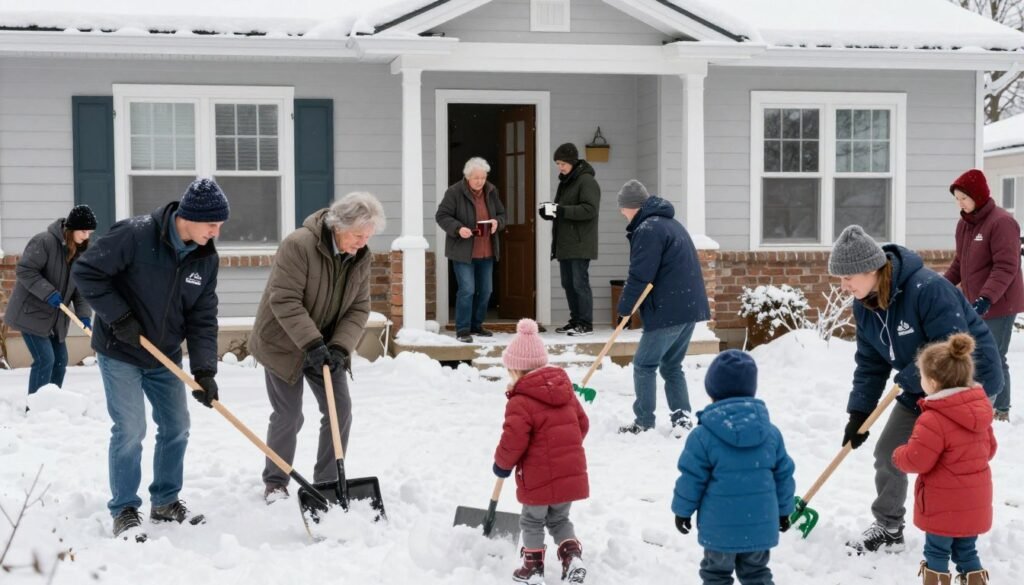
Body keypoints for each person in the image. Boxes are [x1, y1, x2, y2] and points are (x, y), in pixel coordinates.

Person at [828, 224, 1003, 554]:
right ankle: (889, 526)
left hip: (965, 381)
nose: (843, 285)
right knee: (888, 453)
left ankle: (959, 531)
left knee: (953, 462)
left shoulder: (927, 289)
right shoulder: (863, 306)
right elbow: (870, 363)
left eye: (847, 277)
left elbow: (948, 345)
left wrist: (907, 379)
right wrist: (859, 412)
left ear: (871, 269)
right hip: (920, 383)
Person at [72, 178, 228, 542]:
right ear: (189, 217)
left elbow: (203, 317)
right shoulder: (136, 234)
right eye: (212, 224)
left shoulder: (206, 258)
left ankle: (165, 500)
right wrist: (120, 318)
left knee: (177, 427)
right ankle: (125, 508)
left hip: (165, 355)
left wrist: (205, 371)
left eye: (220, 225)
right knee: (130, 430)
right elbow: (86, 272)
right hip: (120, 349)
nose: (216, 232)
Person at [250, 192, 385, 504]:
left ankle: (326, 482)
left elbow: (358, 309)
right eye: (358, 235)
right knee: (289, 414)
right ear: (339, 226)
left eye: (368, 236)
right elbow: (284, 300)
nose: (362, 243)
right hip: (283, 342)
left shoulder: (361, 258)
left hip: (326, 345)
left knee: (340, 410)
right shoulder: (299, 245)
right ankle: (275, 482)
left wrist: (339, 347)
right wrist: (311, 343)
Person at [672, 349, 795, 585]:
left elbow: (691, 478)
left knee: (716, 576)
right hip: (760, 526)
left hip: (720, 530)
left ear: (712, 391)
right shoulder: (770, 433)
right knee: (757, 574)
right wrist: (784, 510)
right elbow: (784, 476)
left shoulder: (702, 436)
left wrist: (682, 510)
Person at [892, 333, 995, 585]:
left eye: (922, 377)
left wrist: (898, 454)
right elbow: (990, 449)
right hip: (974, 501)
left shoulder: (933, 418)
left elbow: (918, 460)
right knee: (967, 551)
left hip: (942, 504)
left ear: (934, 383)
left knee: (937, 552)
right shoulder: (979, 412)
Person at [493, 318, 589, 584]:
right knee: (559, 518)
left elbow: (513, 441)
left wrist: (502, 464)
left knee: (532, 521)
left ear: (516, 370)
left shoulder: (520, 401)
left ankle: (533, 567)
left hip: (536, 477)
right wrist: (564, 447)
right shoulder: (565, 391)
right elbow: (582, 424)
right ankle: (572, 556)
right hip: (569, 471)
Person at [614, 180, 710, 434]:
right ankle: (682, 419)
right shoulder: (670, 224)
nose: (622, 213)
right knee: (671, 365)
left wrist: (624, 308)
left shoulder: (648, 228)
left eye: (622, 208)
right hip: (687, 307)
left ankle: (644, 422)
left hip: (669, 309)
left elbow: (640, 275)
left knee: (644, 365)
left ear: (631, 206)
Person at [944, 168, 1024, 423]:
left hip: (999, 303)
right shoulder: (965, 225)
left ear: (978, 196)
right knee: (976, 355)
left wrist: (986, 297)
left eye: (963, 198)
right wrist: (942, 286)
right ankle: (982, 403)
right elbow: (960, 262)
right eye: (957, 199)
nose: (960, 204)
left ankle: (1000, 410)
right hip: (975, 302)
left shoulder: (1002, 222)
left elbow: (1006, 266)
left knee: (994, 355)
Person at [6, 204, 96, 400]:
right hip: (31, 314)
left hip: (56, 319)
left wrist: (84, 315)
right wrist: (48, 293)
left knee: (60, 360)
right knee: (45, 359)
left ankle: (52, 406)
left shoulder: (81, 252)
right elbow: (25, 271)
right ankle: (35, 409)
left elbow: (80, 288)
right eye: (83, 231)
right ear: (71, 229)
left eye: (89, 232)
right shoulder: (44, 242)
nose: (86, 236)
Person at [435, 157, 506, 343]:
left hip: (486, 250)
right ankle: (463, 329)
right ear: (467, 177)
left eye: (483, 177)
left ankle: (476, 325)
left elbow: (502, 214)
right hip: (463, 251)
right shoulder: (454, 192)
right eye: (476, 178)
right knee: (467, 289)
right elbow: (442, 215)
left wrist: (496, 223)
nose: (480, 181)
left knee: (486, 291)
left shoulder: (491, 191)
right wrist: (458, 229)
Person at [540, 142, 601, 337]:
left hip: (580, 242)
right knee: (568, 283)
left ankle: (585, 323)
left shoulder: (586, 181)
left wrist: (561, 210)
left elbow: (590, 210)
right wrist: (550, 211)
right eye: (558, 163)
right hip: (565, 243)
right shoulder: (566, 181)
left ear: (573, 162)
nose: (560, 167)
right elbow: (563, 210)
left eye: (563, 163)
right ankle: (575, 320)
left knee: (579, 283)